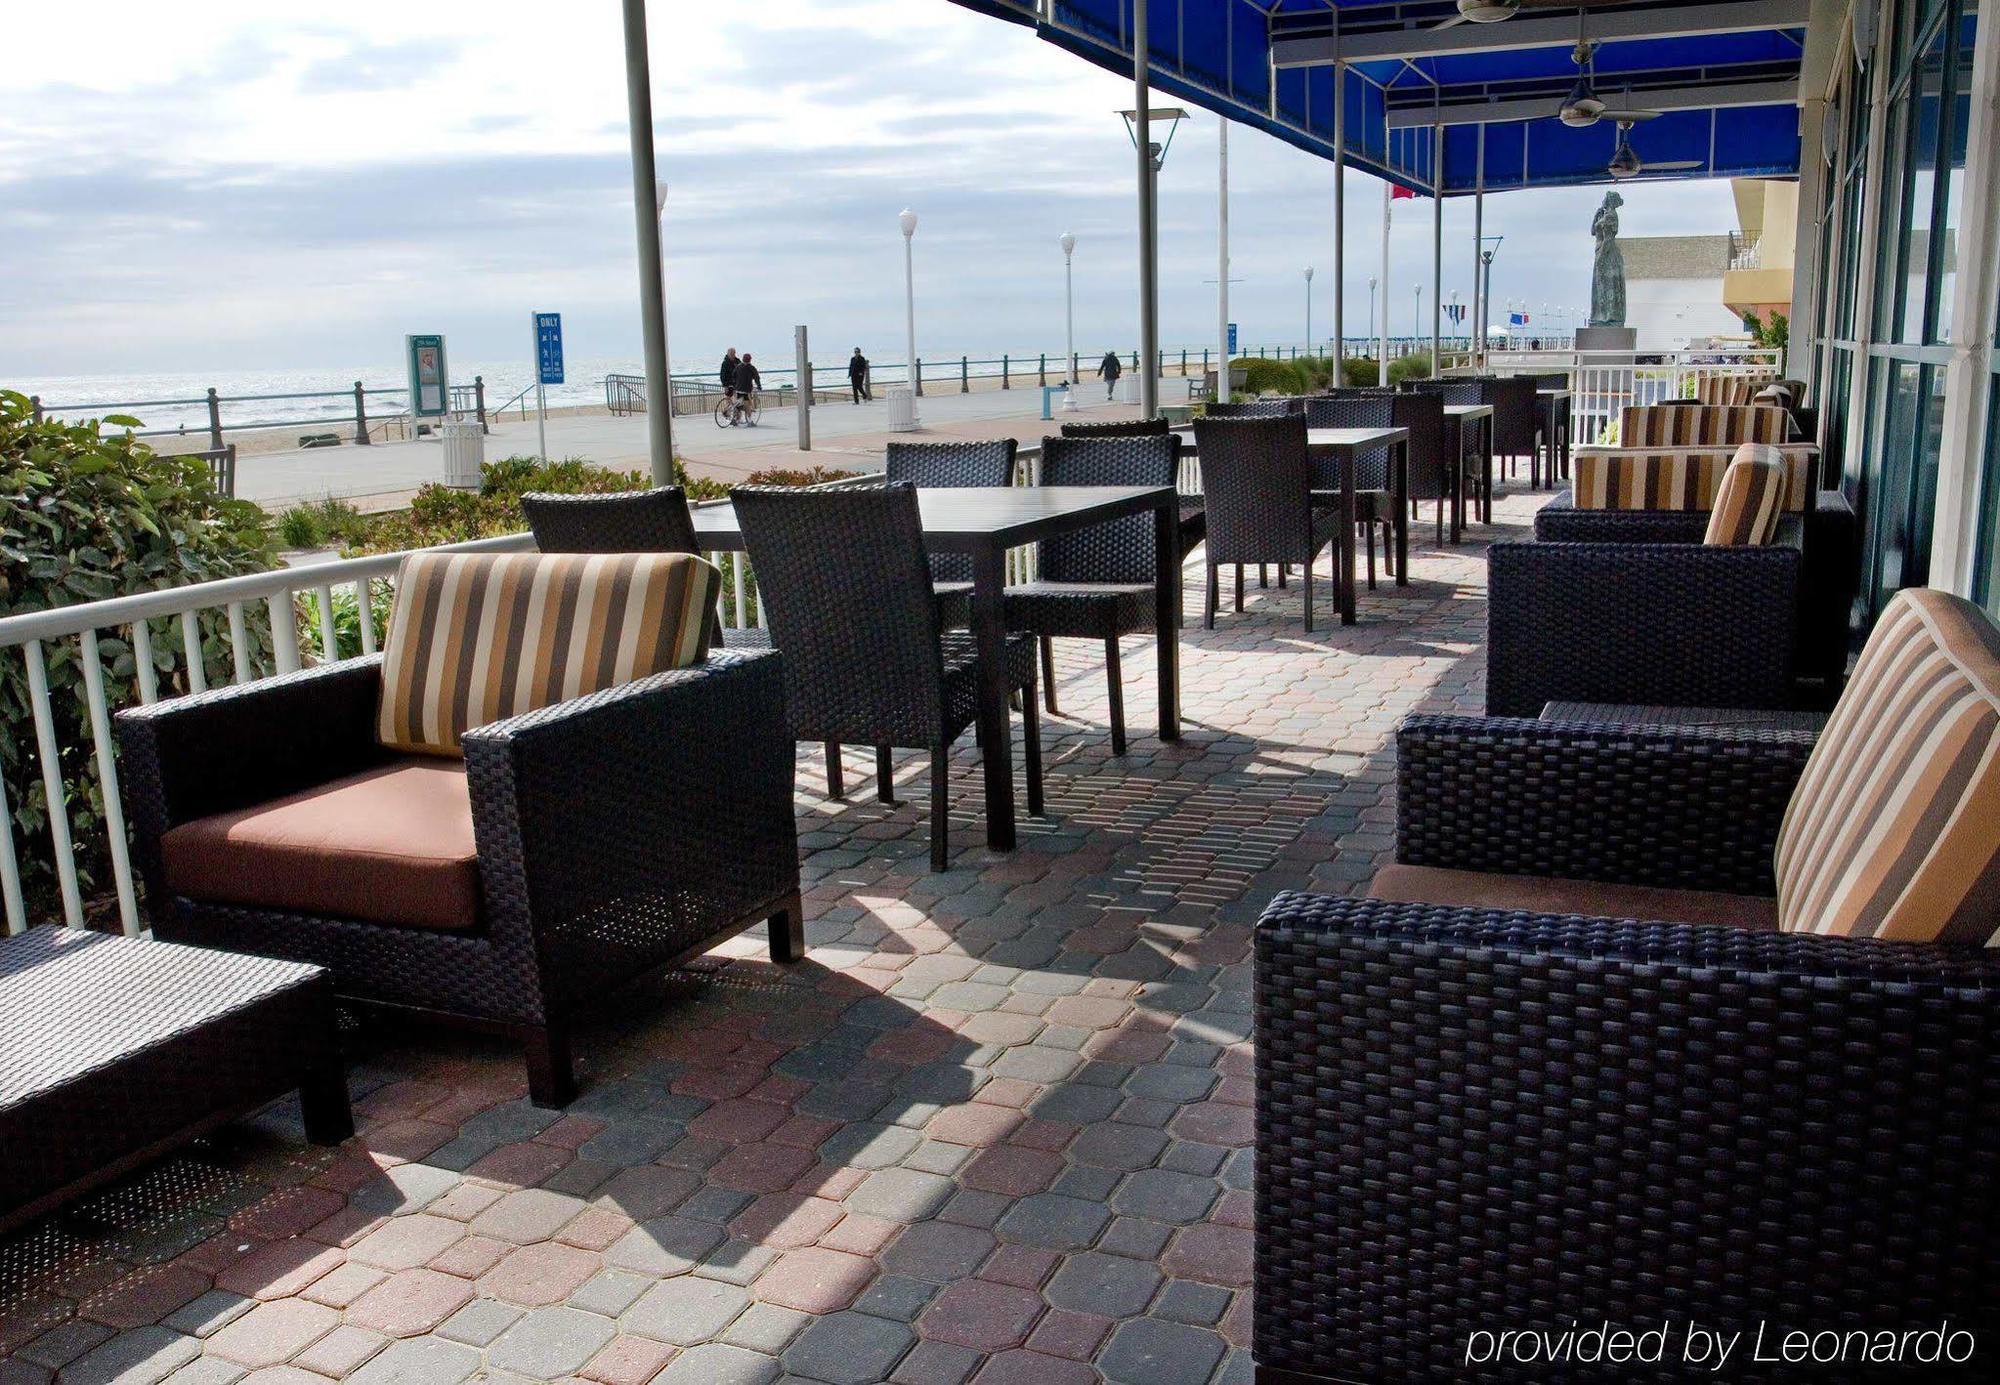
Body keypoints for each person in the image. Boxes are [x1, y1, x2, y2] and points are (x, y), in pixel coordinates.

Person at [733, 352, 763, 423]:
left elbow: (733, 375)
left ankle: (736, 419)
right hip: (746, 390)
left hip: (738, 389)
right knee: (748, 405)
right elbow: (757, 378)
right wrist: (759, 386)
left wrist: (736, 383)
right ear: (750, 360)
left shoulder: (738, 366)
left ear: (743, 359)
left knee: (738, 404)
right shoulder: (751, 368)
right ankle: (749, 420)